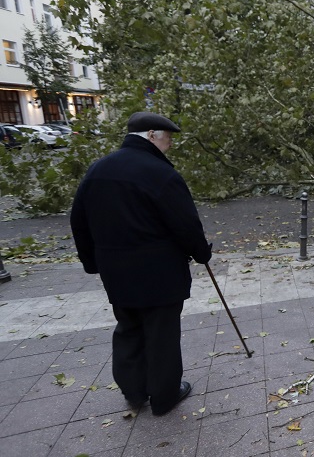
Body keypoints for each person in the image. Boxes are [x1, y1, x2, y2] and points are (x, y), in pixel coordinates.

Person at [70, 111, 212, 416]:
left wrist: (92, 263)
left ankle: (134, 393)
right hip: (159, 271)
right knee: (161, 334)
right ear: (151, 135)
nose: (170, 145)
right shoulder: (160, 173)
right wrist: (202, 253)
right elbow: (185, 223)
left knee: (128, 328)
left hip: (116, 271)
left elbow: (78, 221)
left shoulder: (98, 170)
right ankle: (164, 397)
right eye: (168, 138)